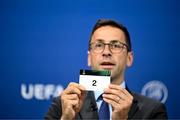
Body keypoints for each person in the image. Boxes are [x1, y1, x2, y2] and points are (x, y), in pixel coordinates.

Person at [44, 19, 168, 120]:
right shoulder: (63, 105)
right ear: (89, 58)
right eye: (99, 45)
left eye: (116, 45)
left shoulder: (153, 111)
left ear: (129, 58)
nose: (106, 52)